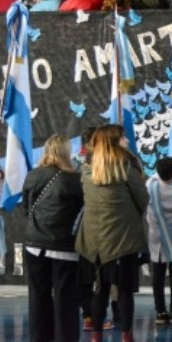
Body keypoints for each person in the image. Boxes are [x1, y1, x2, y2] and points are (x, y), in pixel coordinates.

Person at [74, 125, 148, 342]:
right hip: (123, 241)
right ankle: (127, 336)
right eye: (123, 137)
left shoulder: (87, 171)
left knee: (99, 290)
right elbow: (143, 200)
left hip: (93, 242)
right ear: (114, 142)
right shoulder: (127, 167)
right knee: (124, 292)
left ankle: (96, 335)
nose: (127, 140)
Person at [22, 134, 84, 342]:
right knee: (65, 300)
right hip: (64, 248)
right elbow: (81, 214)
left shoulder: (32, 175)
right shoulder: (75, 179)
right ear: (66, 152)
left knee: (38, 298)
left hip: (34, 245)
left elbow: (26, 210)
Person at [146, 157, 172, 326]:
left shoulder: (150, 186)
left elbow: (156, 176)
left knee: (158, 276)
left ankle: (160, 311)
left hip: (157, 237)